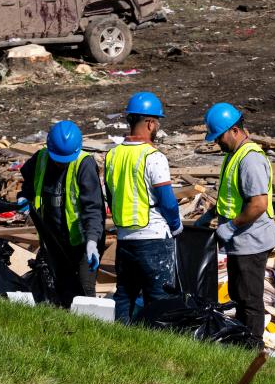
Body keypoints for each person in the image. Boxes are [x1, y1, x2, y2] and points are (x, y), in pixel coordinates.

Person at [196, 103, 275, 347]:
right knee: (238, 295)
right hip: (239, 240)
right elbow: (231, 195)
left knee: (250, 298)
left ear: (234, 130)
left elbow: (258, 204)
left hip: (251, 240)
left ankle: (252, 346)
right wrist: (211, 213)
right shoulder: (234, 155)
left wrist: (230, 226)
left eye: (219, 137)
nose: (217, 143)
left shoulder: (250, 159)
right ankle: (241, 340)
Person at [104, 92, 183, 323]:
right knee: (158, 298)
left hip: (125, 238)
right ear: (149, 123)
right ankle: (156, 346)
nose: (157, 127)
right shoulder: (154, 157)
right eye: (157, 122)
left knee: (124, 295)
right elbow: (167, 200)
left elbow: (111, 196)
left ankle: (121, 338)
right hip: (154, 239)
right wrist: (176, 225)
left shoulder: (112, 155)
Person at [19, 120, 105, 308]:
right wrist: (24, 197)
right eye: (57, 159)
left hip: (82, 244)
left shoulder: (84, 164)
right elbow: (27, 182)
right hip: (53, 241)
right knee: (58, 291)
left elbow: (93, 208)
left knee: (84, 293)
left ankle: (88, 334)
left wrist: (92, 242)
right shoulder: (41, 159)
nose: (60, 164)